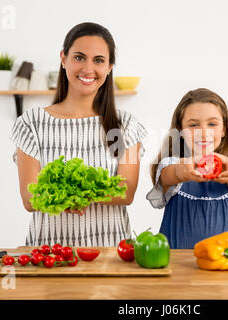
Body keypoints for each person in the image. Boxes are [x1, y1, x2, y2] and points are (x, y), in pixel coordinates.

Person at [11, 22, 148, 247]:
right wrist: (82, 194)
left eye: (98, 60)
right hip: (49, 253)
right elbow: (29, 198)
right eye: (79, 57)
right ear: (63, 58)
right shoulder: (31, 123)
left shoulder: (127, 125)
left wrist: (77, 195)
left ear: (109, 67)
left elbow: (127, 192)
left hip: (110, 253)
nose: (88, 69)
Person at [146, 88, 228, 249]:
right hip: (178, 265)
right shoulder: (170, 164)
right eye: (193, 125)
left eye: (212, 124)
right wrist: (183, 170)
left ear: (224, 129)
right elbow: (169, 175)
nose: (203, 133)